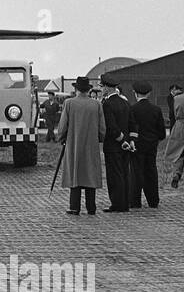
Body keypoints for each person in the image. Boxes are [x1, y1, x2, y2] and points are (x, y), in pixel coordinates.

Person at [55, 76, 104, 215]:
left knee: (75, 172)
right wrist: (99, 139)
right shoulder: (96, 104)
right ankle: (91, 207)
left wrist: (62, 138)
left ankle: (74, 206)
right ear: (88, 89)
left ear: (76, 89)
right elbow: (102, 128)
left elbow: (63, 125)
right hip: (91, 144)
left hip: (74, 142)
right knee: (90, 173)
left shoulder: (69, 103)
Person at [128, 81, 167, 209]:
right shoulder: (156, 109)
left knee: (136, 172)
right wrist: (157, 139)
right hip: (151, 145)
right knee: (151, 171)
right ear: (149, 93)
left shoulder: (132, 109)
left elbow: (130, 127)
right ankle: (153, 200)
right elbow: (161, 131)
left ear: (135, 93)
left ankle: (135, 201)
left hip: (137, 144)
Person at [100, 75, 134, 212]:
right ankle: (125, 202)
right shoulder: (125, 102)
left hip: (114, 145)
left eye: (102, 87)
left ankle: (117, 203)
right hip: (126, 145)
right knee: (125, 173)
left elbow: (111, 127)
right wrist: (131, 141)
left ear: (108, 88)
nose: (101, 90)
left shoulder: (107, 104)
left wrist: (122, 141)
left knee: (115, 176)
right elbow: (132, 123)